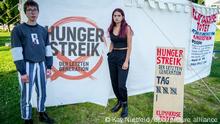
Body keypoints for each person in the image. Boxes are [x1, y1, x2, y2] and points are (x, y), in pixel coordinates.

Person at [11, 0, 54, 124]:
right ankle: (27, 118)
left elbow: (48, 48)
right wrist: (22, 71)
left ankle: (41, 112)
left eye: (34, 9)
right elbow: (17, 51)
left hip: (41, 64)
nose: (32, 12)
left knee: (42, 91)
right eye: (29, 10)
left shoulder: (43, 30)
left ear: (38, 12)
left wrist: (49, 66)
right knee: (27, 94)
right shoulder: (18, 30)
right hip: (27, 65)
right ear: (25, 12)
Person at [107, 8, 133, 118]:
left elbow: (130, 46)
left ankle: (125, 105)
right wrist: (109, 53)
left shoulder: (127, 28)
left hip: (123, 57)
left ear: (122, 16)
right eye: (114, 15)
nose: (116, 17)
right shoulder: (112, 28)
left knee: (121, 85)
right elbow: (112, 42)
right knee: (114, 83)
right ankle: (119, 102)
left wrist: (126, 61)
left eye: (118, 15)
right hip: (113, 57)